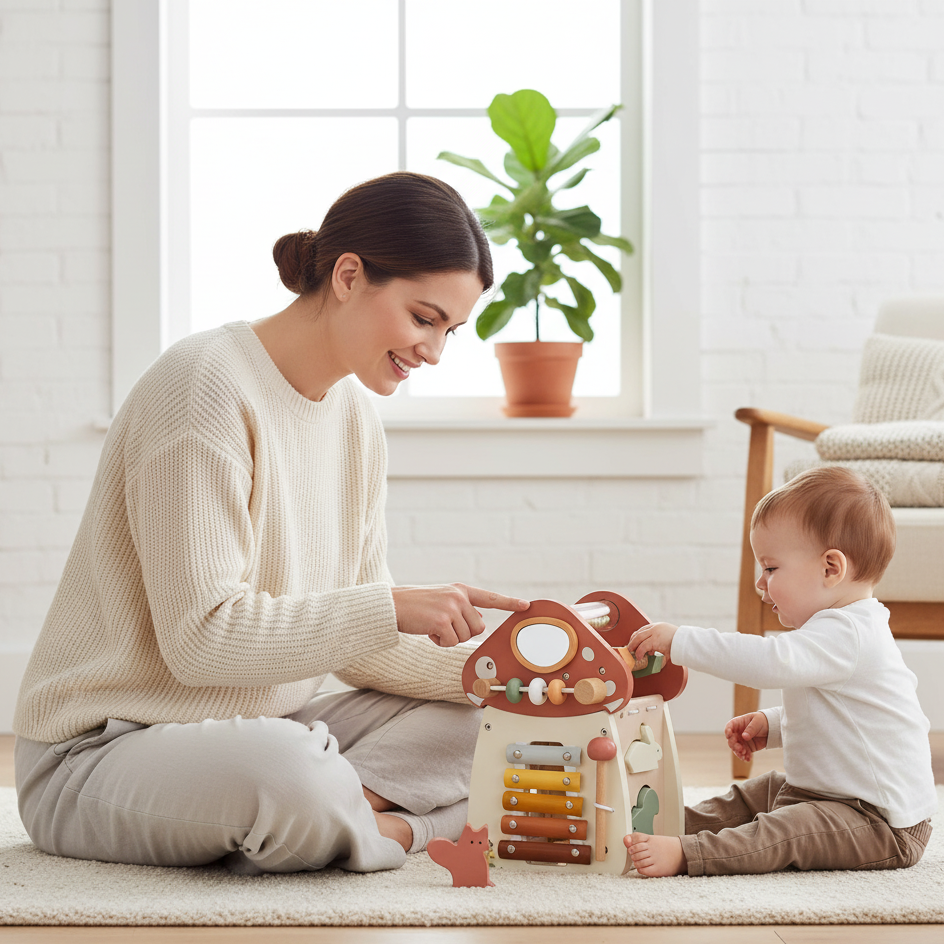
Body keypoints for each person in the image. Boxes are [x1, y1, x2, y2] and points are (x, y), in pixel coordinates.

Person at [13, 172, 529, 876]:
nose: (433, 351)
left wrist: (515, 673)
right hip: (102, 750)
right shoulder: (203, 387)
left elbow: (366, 653)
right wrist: (391, 607)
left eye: (449, 331)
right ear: (348, 276)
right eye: (422, 318)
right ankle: (394, 823)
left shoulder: (355, 419)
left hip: (262, 730)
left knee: (494, 718)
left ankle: (343, 817)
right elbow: (200, 641)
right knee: (289, 771)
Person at [624, 466, 937, 877]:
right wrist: (773, 724)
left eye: (771, 569)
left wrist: (682, 641)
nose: (760, 582)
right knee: (760, 792)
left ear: (830, 569)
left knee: (787, 828)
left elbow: (769, 663)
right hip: (833, 796)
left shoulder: (849, 632)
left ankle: (690, 853)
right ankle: (668, 824)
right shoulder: (837, 631)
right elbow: (844, 717)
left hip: (881, 823)